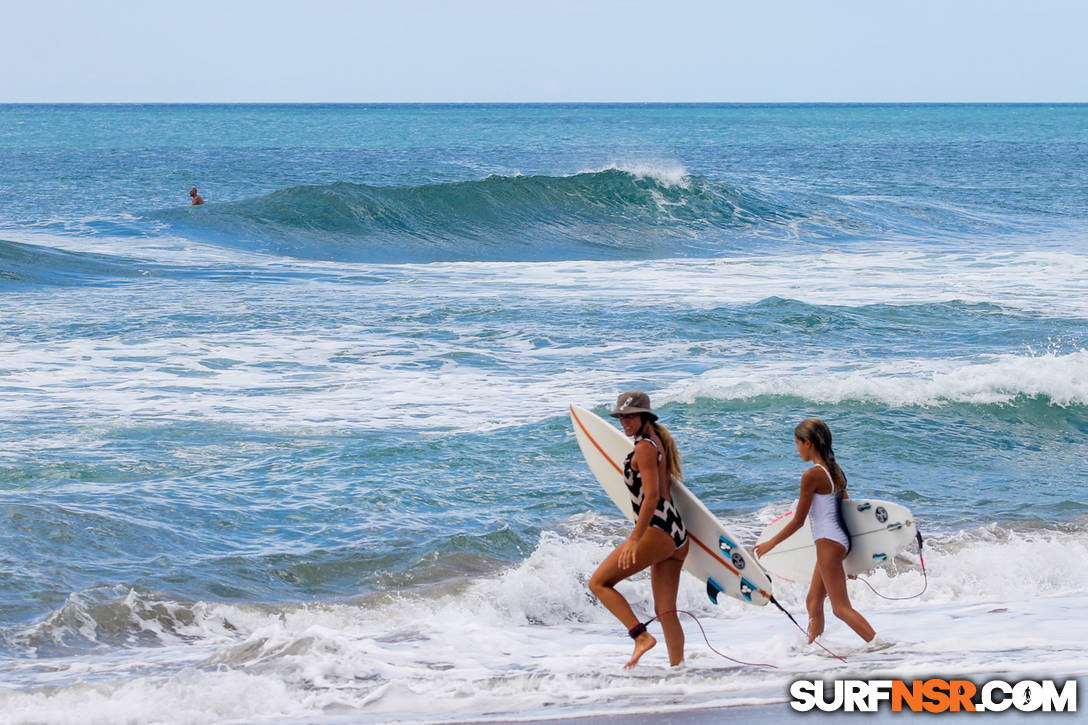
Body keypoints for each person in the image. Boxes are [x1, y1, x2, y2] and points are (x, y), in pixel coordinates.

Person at [754, 418, 878, 646]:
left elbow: (798, 521)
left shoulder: (812, 476)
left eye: (797, 444)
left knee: (840, 608)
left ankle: (881, 645)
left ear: (808, 443)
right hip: (839, 541)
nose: (797, 449)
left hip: (829, 543)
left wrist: (770, 544)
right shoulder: (835, 469)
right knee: (813, 601)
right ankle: (814, 648)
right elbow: (849, 510)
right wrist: (851, 557)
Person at [588, 391, 689, 669]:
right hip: (677, 532)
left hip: (657, 529)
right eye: (621, 416)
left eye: (630, 416)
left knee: (599, 583)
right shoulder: (657, 441)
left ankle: (640, 636)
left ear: (645, 416)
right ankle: (679, 671)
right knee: (666, 611)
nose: (624, 421)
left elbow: (652, 496)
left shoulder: (645, 447)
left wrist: (635, 538)